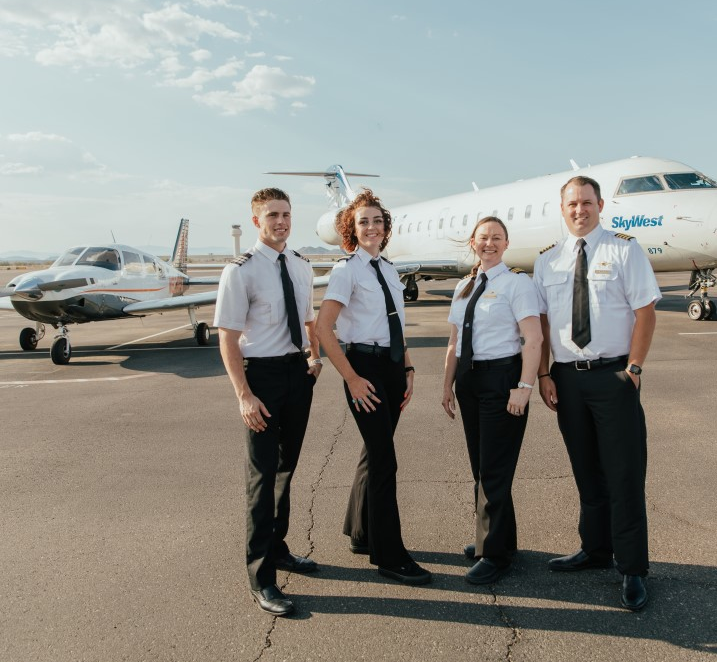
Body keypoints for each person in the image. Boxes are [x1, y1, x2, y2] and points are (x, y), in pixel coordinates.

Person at [533, 175, 660, 612]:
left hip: (613, 377)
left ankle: (633, 568)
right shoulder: (547, 260)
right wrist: (546, 373)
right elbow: (544, 324)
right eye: (572, 203)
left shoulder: (625, 249)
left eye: (587, 202)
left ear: (600, 204)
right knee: (586, 470)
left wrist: (634, 370)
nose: (579, 210)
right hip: (567, 379)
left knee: (624, 475)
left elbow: (645, 312)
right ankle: (594, 550)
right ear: (562, 207)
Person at [214, 187, 323, 617]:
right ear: (256, 220)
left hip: (297, 374)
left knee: (285, 470)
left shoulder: (300, 265)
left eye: (286, 214)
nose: (281, 221)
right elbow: (226, 337)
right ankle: (261, 580)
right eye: (273, 215)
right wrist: (244, 395)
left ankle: (278, 549)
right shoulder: (239, 272)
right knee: (261, 480)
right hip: (260, 376)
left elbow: (309, 317)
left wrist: (315, 359)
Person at [316, 188, 431, 586]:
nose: (371, 227)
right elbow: (322, 329)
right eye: (363, 221)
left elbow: (395, 323)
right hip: (363, 368)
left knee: (373, 454)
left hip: (393, 367)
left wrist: (410, 368)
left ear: (386, 229)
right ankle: (390, 555)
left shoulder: (389, 269)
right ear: (352, 229)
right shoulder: (346, 270)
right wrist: (351, 377)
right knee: (385, 460)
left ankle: (361, 533)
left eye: (377, 221)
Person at [441, 216, 542, 585]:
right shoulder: (464, 286)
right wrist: (447, 385)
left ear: (506, 243)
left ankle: (495, 554)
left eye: (497, 238)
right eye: (483, 237)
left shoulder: (517, 283)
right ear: (472, 242)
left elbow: (533, 339)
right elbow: (454, 342)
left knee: (495, 470)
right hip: (470, 380)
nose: (489, 243)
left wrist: (524, 386)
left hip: (503, 380)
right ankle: (497, 537)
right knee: (481, 468)